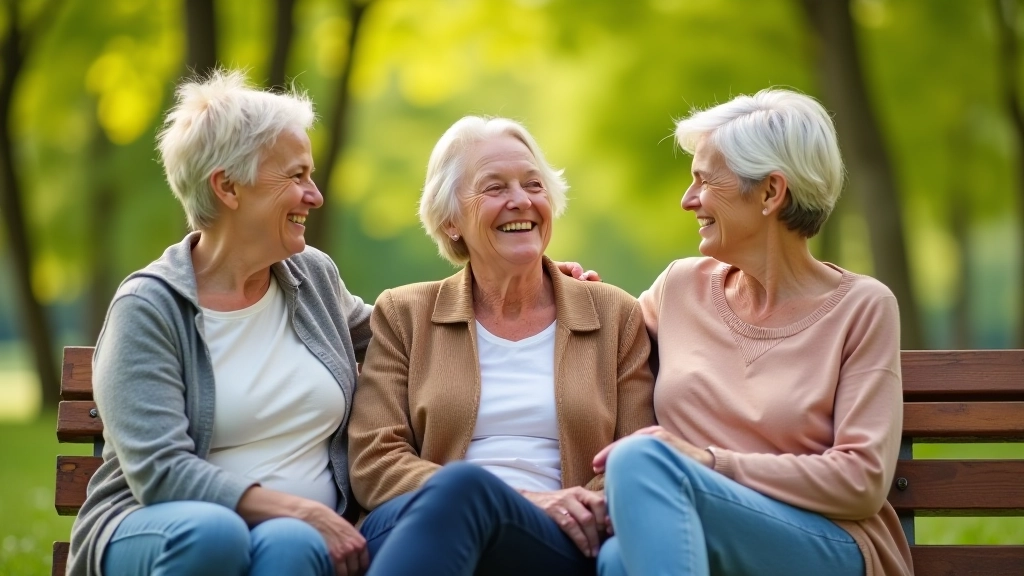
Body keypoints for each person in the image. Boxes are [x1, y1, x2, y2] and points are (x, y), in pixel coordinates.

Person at [592, 89, 914, 576]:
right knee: (619, 559)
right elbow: (604, 341)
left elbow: (861, 480)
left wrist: (708, 462)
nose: (687, 200)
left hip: (824, 543)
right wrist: (563, 290)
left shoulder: (862, 307)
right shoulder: (680, 288)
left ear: (770, 192)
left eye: (703, 180)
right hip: (697, 533)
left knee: (641, 461)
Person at [67, 70, 372, 576]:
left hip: (295, 534)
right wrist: (300, 508)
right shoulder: (149, 307)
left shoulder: (313, 277)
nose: (314, 195)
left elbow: (401, 329)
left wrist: (531, 283)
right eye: (296, 176)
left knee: (294, 545)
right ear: (228, 187)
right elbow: (161, 471)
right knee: (215, 533)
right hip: (156, 525)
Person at [347, 116, 657, 576]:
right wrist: (516, 498)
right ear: (451, 220)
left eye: (533, 185)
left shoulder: (615, 315)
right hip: (417, 517)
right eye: (495, 188)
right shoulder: (404, 313)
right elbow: (375, 461)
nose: (521, 201)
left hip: (558, 537)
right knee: (463, 489)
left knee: (468, 490)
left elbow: (633, 454)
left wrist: (566, 508)